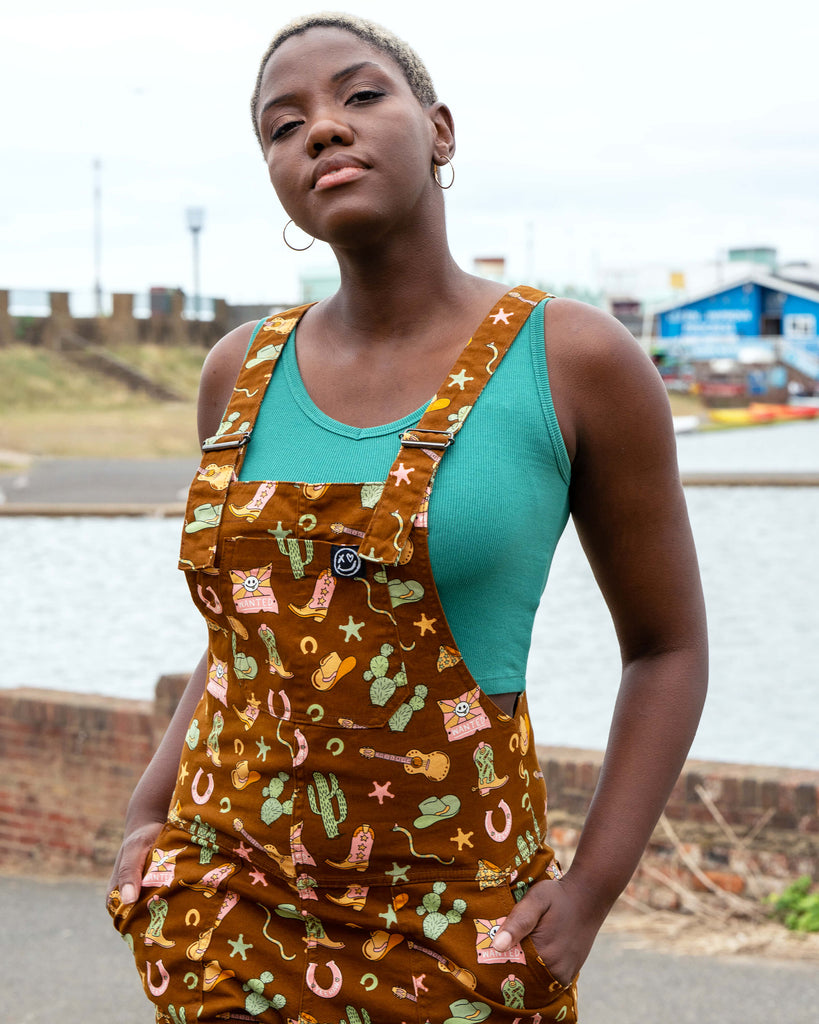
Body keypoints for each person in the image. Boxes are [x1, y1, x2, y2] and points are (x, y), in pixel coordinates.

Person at [107, 12, 707, 1023]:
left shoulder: (573, 360)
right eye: (282, 124)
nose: (322, 131)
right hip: (227, 915)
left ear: (440, 130)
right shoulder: (237, 373)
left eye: (360, 95)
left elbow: (668, 648)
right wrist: (146, 813)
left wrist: (593, 889)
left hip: (457, 930)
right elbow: (244, 634)